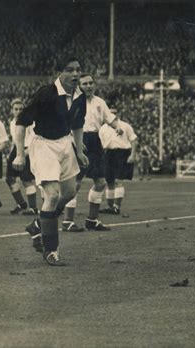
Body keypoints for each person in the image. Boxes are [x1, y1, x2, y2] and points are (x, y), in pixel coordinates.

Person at [13, 57, 88, 266]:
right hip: (44, 144)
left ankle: (38, 224)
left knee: (70, 192)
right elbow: (21, 122)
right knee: (52, 194)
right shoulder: (46, 94)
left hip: (65, 144)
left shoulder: (80, 96)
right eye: (70, 70)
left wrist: (79, 150)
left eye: (78, 70)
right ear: (59, 72)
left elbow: (78, 124)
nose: (75, 74)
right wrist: (20, 153)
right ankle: (51, 250)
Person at [61, 73, 121, 232]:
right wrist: (76, 142)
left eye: (90, 83)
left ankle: (92, 220)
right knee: (75, 183)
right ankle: (67, 221)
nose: (88, 86)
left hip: (94, 141)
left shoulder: (99, 102)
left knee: (101, 182)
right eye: (85, 83)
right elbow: (66, 124)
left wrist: (118, 127)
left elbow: (110, 119)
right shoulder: (72, 101)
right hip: (77, 139)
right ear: (79, 85)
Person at [99, 109, 138, 215]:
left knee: (118, 180)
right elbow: (101, 144)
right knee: (109, 181)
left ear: (118, 114)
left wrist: (132, 155)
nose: (112, 115)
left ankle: (117, 207)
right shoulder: (102, 129)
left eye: (114, 113)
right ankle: (109, 206)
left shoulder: (125, 126)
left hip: (122, 153)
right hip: (108, 153)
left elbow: (133, 140)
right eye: (110, 113)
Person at [5, 98, 38, 215]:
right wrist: (11, 153)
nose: (18, 111)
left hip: (26, 150)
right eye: (16, 109)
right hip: (16, 150)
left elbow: (33, 140)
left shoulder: (29, 123)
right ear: (12, 111)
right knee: (9, 179)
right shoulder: (12, 122)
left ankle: (33, 208)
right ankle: (21, 204)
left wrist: (24, 154)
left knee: (26, 180)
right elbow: (15, 140)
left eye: (21, 109)